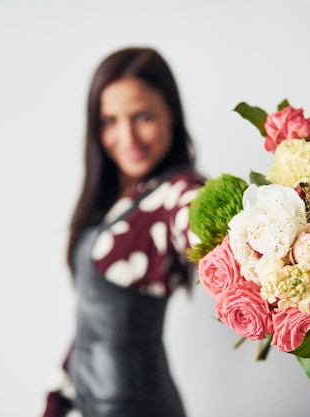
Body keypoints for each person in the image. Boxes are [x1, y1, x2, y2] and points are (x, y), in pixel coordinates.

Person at [41, 46, 204, 417]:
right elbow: (89, 328)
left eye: (143, 116)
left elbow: (197, 223)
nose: (126, 136)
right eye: (109, 120)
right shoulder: (110, 202)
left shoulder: (180, 192)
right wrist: (54, 401)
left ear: (171, 115)